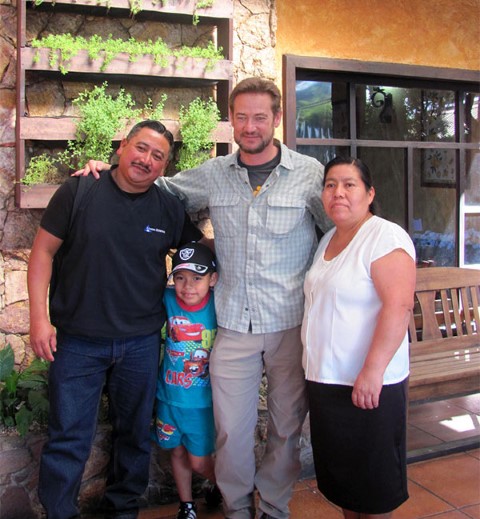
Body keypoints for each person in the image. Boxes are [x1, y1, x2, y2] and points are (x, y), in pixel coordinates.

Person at [76, 77, 331, 519]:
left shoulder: (310, 174)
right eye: (241, 117)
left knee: (287, 428)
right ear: (231, 120)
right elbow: (160, 187)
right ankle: (236, 509)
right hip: (231, 324)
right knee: (230, 430)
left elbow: (338, 230)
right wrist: (107, 169)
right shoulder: (214, 174)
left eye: (259, 117)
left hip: (291, 322)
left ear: (276, 118)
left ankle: (273, 507)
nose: (250, 126)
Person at [27, 120, 206, 519]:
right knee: (68, 439)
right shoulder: (80, 191)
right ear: (122, 146)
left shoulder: (167, 208)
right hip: (76, 342)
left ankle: (122, 512)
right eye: (141, 148)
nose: (146, 159)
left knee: (134, 437)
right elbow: (42, 254)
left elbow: (199, 253)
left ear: (164, 167)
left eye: (158, 156)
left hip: (141, 343)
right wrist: (39, 319)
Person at [301, 156, 416, 519]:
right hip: (327, 382)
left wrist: (372, 370)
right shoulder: (328, 241)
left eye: (349, 184)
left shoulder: (385, 236)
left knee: (374, 488)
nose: (339, 193)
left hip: (368, 385)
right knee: (346, 485)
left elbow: (398, 307)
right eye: (331, 184)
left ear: (369, 193)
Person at [153, 241, 222, 519]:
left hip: (202, 402)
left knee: (199, 460)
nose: (187, 286)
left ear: (213, 279)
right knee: (177, 452)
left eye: (197, 278)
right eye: (180, 277)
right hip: (168, 396)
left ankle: (228, 487)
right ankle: (187, 505)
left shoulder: (220, 304)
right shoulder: (167, 300)